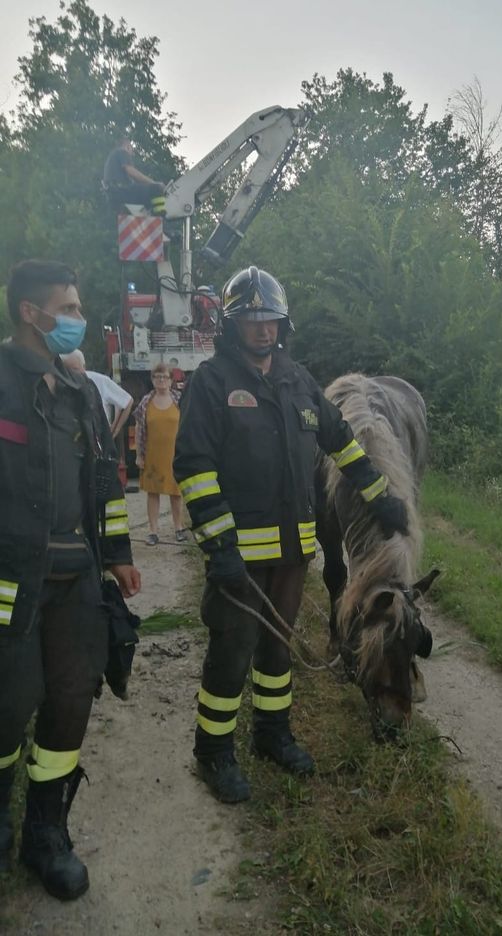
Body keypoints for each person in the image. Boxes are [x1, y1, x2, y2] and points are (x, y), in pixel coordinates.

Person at [173, 266, 409, 804]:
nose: (263, 328)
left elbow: (342, 444)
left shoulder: (298, 380)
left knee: (277, 651)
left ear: (284, 323)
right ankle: (213, 751)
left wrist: (381, 498)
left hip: (292, 551)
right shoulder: (212, 383)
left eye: (271, 318)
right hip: (238, 556)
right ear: (232, 326)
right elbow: (193, 466)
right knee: (232, 653)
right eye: (252, 319)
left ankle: (271, 734)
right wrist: (219, 546)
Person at [0, 260, 141, 900]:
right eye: (71, 308)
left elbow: (105, 484)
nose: (79, 320)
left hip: (76, 582)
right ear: (32, 314)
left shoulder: (81, 392)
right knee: (10, 706)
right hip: (12, 583)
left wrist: (117, 553)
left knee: (70, 702)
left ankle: (45, 832)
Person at [133, 363, 187, 544]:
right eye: (157, 377)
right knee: (152, 493)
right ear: (152, 380)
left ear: (171, 380)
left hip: (175, 455)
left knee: (176, 493)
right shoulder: (146, 402)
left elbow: (188, 425)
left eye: (165, 377)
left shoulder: (180, 399)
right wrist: (139, 455)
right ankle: (153, 531)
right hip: (152, 455)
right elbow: (139, 427)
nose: (161, 380)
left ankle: (179, 528)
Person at [62, 349, 134, 440]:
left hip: (98, 440)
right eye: (67, 369)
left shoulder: (99, 380)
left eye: (75, 369)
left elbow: (127, 401)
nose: (71, 374)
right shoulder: (58, 385)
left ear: (83, 366)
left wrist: (114, 431)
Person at [102, 136, 166, 215]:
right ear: (127, 146)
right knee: (156, 189)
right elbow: (132, 172)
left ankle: (148, 214)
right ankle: (160, 216)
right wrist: (153, 183)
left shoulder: (112, 158)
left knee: (145, 198)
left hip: (113, 195)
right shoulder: (122, 152)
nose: (132, 152)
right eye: (131, 148)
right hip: (122, 190)